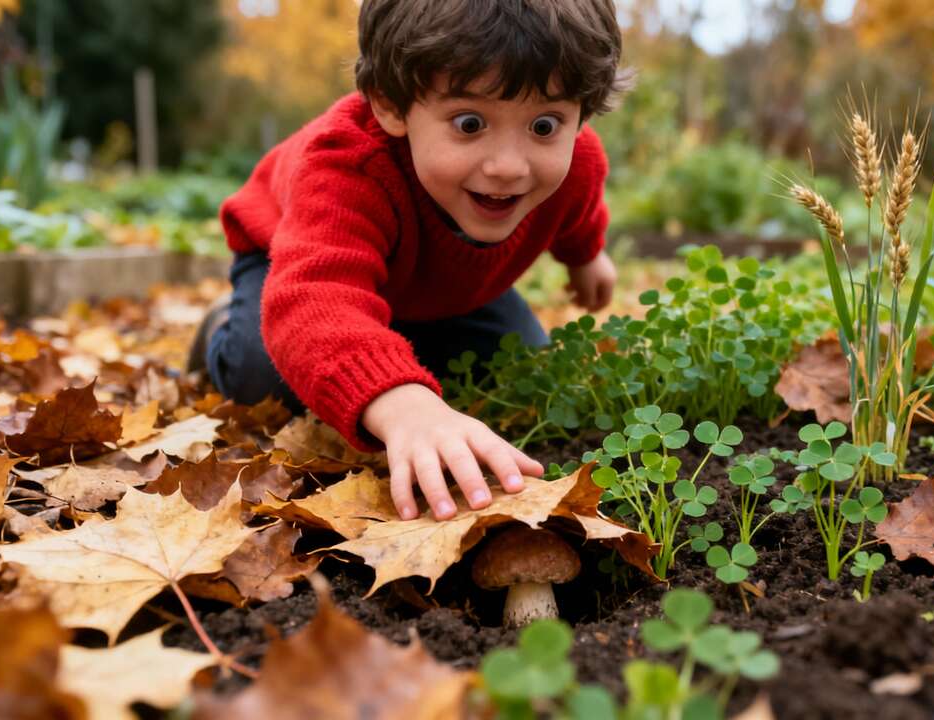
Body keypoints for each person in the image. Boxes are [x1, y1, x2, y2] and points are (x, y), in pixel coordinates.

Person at [188, 0, 627, 522]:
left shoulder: (577, 163)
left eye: (544, 126)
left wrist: (586, 258)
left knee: (518, 369)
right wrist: (405, 408)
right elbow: (318, 296)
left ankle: (393, 342)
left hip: (441, 284)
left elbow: (577, 212)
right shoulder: (348, 164)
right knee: (266, 378)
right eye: (469, 123)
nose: (508, 166)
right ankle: (223, 327)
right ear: (391, 106)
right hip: (296, 260)